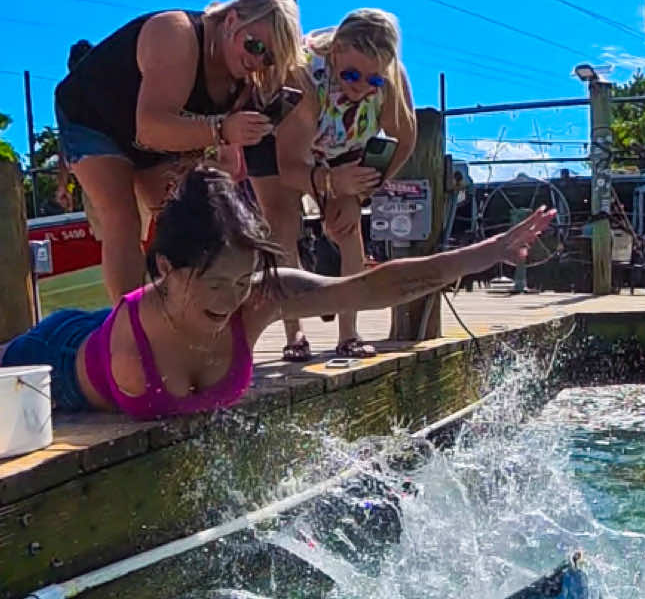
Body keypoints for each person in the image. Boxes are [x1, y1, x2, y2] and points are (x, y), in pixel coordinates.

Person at [1, 167, 554, 421]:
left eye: (242, 280)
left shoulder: (258, 301)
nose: (231, 298)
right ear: (166, 269)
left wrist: (485, 254)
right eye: (216, 283)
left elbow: (375, 286)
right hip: (56, 359)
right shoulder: (136, 336)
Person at [53, 0, 302, 303]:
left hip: (153, 130)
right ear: (232, 20)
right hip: (93, 117)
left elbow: (230, 167)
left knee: (184, 214)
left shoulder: (241, 81)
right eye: (254, 45)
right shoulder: (176, 34)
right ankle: (128, 329)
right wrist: (222, 129)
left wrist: (215, 157)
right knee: (122, 216)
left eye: (269, 58)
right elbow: (151, 130)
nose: (257, 61)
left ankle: (183, 312)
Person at [248, 9, 418, 362]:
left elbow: (405, 140)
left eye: (373, 81)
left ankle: (349, 333)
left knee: (347, 227)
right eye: (351, 74)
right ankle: (294, 332)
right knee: (282, 225)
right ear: (335, 52)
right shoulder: (303, 77)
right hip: (277, 139)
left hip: (342, 142)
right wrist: (325, 181)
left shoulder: (390, 84)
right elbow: (290, 166)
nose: (360, 87)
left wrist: (359, 192)